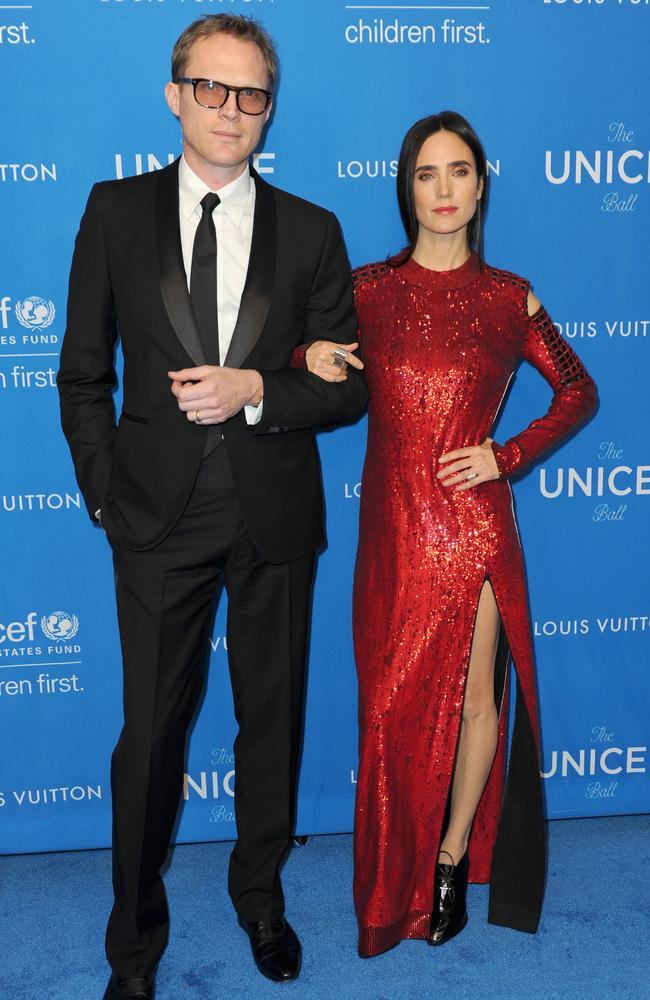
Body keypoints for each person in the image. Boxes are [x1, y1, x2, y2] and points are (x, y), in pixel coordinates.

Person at [57, 14, 367, 998]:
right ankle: (132, 945)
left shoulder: (312, 230)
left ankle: (259, 897)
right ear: (175, 93)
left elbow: (346, 387)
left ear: (269, 107)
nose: (233, 111)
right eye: (213, 89)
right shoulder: (114, 211)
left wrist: (259, 388)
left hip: (273, 518)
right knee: (148, 733)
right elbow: (78, 377)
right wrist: (107, 492)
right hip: (152, 519)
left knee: (268, 723)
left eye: (252, 95)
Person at [292, 111, 597, 957]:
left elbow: (578, 390)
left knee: (474, 704)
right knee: (386, 712)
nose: (444, 191)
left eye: (459, 171)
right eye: (427, 174)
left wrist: (509, 454)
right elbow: (303, 353)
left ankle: (453, 860)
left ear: (481, 184)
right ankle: (391, 885)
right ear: (406, 187)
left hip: (475, 532)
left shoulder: (510, 298)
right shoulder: (368, 291)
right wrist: (305, 357)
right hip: (392, 533)